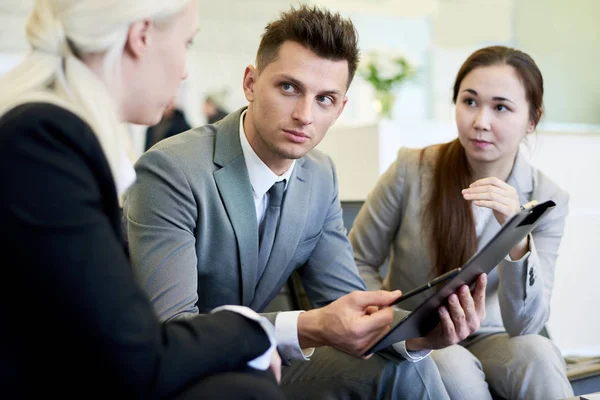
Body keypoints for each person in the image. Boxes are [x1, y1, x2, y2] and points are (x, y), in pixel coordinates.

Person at [124, 5, 488, 399]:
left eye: (325, 99)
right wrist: (309, 326)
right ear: (250, 82)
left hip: (264, 362)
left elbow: (347, 304)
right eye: (289, 88)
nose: (304, 115)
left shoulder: (319, 175)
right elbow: (172, 328)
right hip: (168, 372)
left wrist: (421, 332)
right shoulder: (171, 169)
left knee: (404, 370)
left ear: (341, 107)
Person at [0, 1, 285, 399]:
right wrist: (249, 329)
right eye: (186, 43)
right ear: (142, 36)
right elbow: (134, 357)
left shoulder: (46, 136)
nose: (185, 69)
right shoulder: (43, 141)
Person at [348, 45, 573, 400]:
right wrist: (392, 322)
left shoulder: (547, 198)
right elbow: (357, 259)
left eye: (501, 107)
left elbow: (527, 324)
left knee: (541, 355)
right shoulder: (411, 169)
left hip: (496, 335)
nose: (480, 121)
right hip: (422, 331)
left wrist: (517, 233)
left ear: (532, 119)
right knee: (453, 367)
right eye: (470, 101)